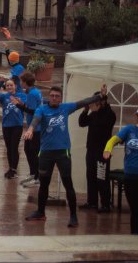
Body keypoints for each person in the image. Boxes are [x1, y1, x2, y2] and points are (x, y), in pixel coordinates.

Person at [23, 84, 107, 227]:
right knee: (44, 184)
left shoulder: (65, 108)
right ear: (49, 97)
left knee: (68, 184)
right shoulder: (42, 109)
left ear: (61, 98)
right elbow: (35, 120)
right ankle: (41, 212)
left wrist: (100, 96)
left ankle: (73, 217)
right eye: (52, 96)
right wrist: (30, 129)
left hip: (63, 153)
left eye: (57, 96)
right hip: (46, 153)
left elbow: (84, 102)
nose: (54, 98)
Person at [80, 94, 117, 212]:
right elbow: (82, 123)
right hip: (91, 151)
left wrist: (103, 102)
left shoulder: (109, 114)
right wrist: (85, 110)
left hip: (102, 152)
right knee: (90, 176)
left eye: (93, 101)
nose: (91, 104)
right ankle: (92, 202)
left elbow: (105, 120)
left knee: (101, 177)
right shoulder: (93, 114)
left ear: (100, 102)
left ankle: (105, 204)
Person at [103, 112, 138, 234]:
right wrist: (107, 150)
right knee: (135, 208)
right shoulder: (129, 130)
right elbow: (112, 140)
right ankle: (134, 236)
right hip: (131, 176)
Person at [0, 79, 27, 179]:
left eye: (11, 85)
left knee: (14, 147)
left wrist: (20, 102)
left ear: (15, 86)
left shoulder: (21, 96)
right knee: (8, 148)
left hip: (17, 125)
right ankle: (10, 168)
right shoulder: (4, 96)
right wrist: (0, 84)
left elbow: (25, 106)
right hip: (6, 125)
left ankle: (14, 169)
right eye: (7, 85)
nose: (9, 87)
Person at [19, 71, 43, 186]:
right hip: (31, 127)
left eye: (21, 81)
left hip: (35, 128)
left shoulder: (33, 94)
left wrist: (20, 106)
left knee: (33, 152)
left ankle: (37, 177)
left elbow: (33, 111)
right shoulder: (33, 92)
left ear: (25, 82)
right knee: (27, 150)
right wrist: (22, 104)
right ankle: (33, 174)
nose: (20, 83)